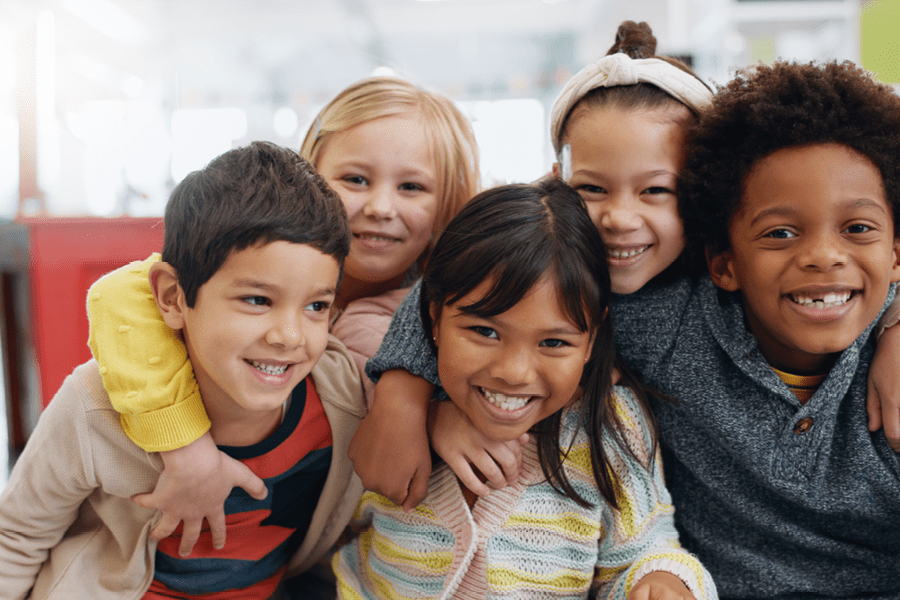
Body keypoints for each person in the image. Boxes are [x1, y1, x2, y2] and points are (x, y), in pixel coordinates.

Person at [363, 60, 900, 598]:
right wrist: (406, 399)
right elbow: (473, 281)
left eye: (656, 190)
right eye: (780, 232)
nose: (823, 256)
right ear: (722, 259)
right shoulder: (659, 318)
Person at [83, 75, 482, 557]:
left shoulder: (444, 309)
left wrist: (429, 412)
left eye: (412, 187)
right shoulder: (250, 258)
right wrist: (185, 446)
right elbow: (120, 293)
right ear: (311, 179)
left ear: (447, 204)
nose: (380, 207)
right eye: (356, 180)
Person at [350, 20, 713, 509]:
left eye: (655, 190)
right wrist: (405, 399)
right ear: (556, 181)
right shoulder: (542, 250)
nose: (619, 219)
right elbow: (444, 294)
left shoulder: (721, 277)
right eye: (592, 188)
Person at [0, 141, 366, 599]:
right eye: (257, 300)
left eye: (316, 306)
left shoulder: (341, 401)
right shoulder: (94, 406)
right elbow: (16, 538)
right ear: (173, 297)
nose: (290, 336)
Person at [334, 179, 717, 600]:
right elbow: (337, 530)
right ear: (435, 317)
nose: (514, 373)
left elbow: (645, 551)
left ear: (591, 339)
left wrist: (660, 581)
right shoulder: (389, 412)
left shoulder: (613, 427)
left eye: (553, 342)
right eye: (485, 331)